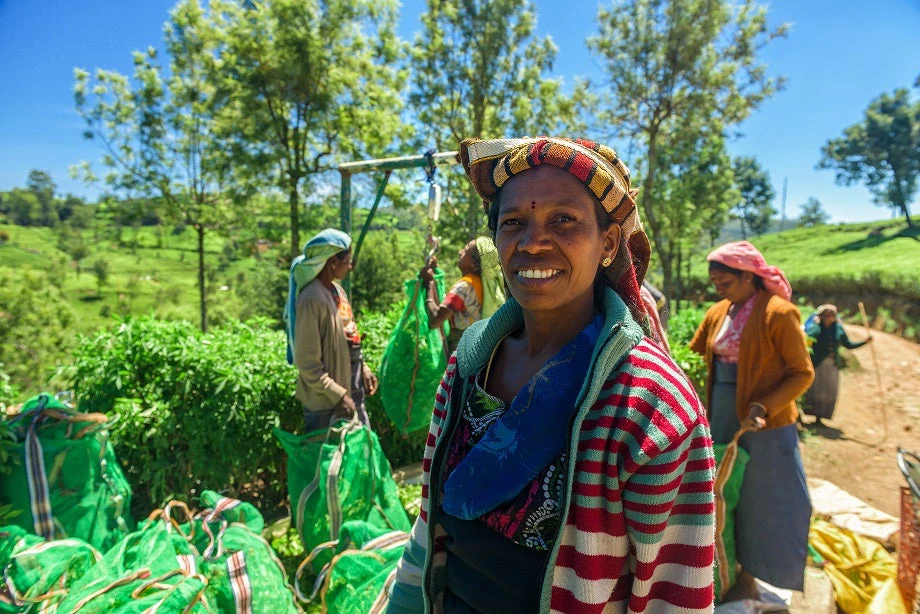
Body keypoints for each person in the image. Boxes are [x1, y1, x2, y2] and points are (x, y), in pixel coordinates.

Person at [387, 137, 715, 614]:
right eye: (513, 222)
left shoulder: (651, 406)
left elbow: (675, 595)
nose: (533, 242)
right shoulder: (469, 364)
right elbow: (427, 528)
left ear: (607, 243)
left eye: (564, 220)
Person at [689, 240, 814, 601]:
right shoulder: (718, 313)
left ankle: (753, 574)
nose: (719, 290)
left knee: (764, 499)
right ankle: (727, 568)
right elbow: (696, 354)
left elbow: (801, 373)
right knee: (726, 494)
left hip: (765, 425)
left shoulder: (779, 313)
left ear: (748, 277)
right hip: (723, 418)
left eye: (725, 283)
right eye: (715, 284)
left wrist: (765, 405)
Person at [283, 228, 378, 431]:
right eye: (347, 261)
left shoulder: (337, 291)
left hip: (351, 393)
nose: (351, 267)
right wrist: (338, 395)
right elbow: (308, 364)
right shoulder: (312, 298)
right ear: (332, 262)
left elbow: (348, 336)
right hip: (327, 405)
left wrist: (363, 367)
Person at [420, 236, 505, 354]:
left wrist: (429, 284)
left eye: (465, 251)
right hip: (476, 348)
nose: (460, 252)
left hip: (459, 351)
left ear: (474, 264)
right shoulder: (483, 285)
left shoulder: (464, 287)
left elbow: (435, 320)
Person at [804, 304, 872, 426]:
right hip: (817, 364)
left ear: (835, 317)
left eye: (831, 315)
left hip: (832, 366)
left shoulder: (838, 329)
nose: (828, 317)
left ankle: (821, 417)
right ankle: (814, 415)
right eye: (826, 315)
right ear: (821, 316)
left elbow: (848, 344)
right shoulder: (816, 328)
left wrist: (864, 342)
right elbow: (808, 339)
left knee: (829, 391)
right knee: (816, 389)